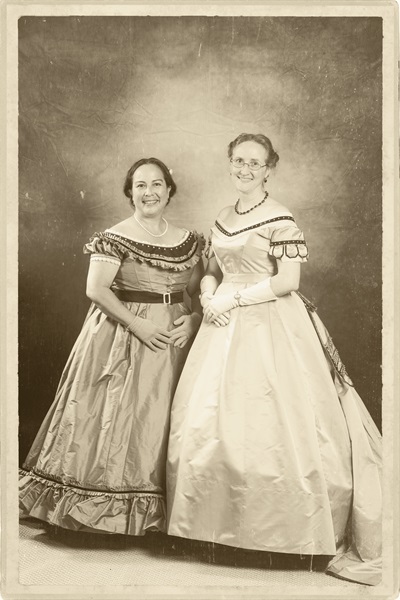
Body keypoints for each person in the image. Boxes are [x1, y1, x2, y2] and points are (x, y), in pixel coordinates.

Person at [167, 133, 382, 585]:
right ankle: (211, 528)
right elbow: (211, 269)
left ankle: (279, 535)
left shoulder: (280, 217)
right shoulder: (224, 215)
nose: (245, 168)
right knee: (210, 418)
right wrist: (208, 294)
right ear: (230, 164)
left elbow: (287, 280)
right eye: (238, 161)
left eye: (255, 163)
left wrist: (234, 301)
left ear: (269, 169)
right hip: (219, 320)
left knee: (271, 421)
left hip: (267, 320)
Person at [19, 157, 204, 536]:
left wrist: (196, 318)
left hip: (176, 336)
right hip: (124, 334)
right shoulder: (115, 236)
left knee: (171, 417)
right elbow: (96, 289)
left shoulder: (190, 240)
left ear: (169, 190)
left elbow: (196, 290)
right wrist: (138, 324)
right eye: (140, 185)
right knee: (120, 419)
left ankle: (168, 516)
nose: (149, 192)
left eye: (156, 184)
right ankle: (109, 513)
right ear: (130, 193)